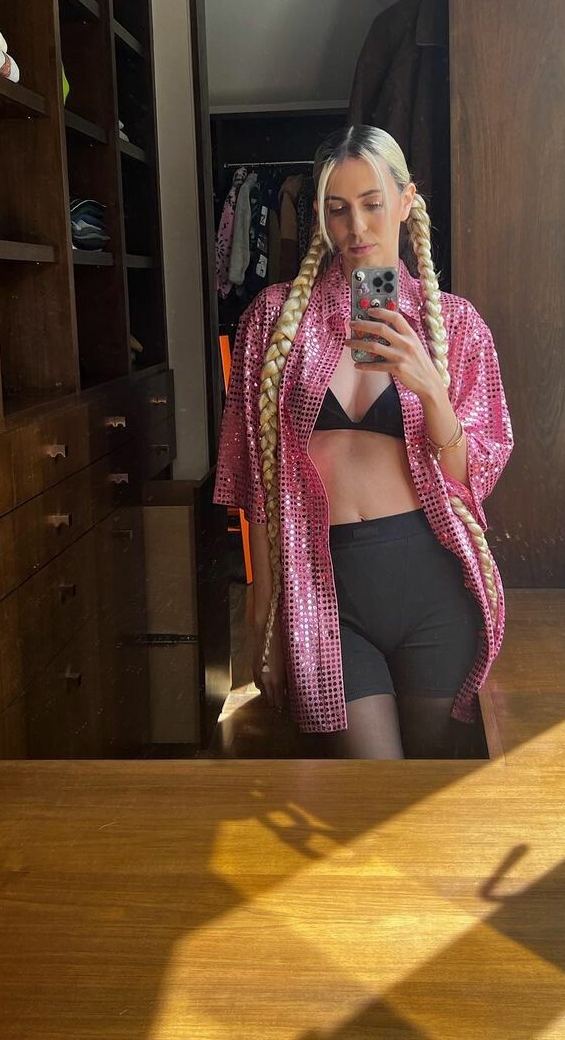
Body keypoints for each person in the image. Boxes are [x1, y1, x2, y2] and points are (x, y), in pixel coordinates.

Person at [212, 125, 513, 758]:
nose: (356, 228)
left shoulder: (456, 324)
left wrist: (430, 389)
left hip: (432, 586)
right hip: (325, 591)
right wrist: (262, 616)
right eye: (337, 209)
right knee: (372, 791)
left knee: (434, 793)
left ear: (406, 201)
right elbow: (255, 482)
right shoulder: (272, 319)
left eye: (373, 204)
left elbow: (474, 475)